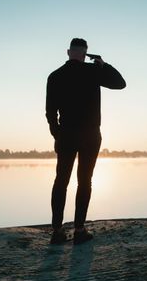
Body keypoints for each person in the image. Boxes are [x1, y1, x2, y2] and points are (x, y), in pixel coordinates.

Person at [46, 38, 126, 244]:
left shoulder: (55, 76)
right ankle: (79, 230)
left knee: (61, 181)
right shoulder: (93, 72)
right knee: (84, 181)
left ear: (68, 52)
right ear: (85, 54)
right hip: (90, 135)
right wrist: (103, 64)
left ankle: (57, 231)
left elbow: (50, 111)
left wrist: (57, 134)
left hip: (66, 135)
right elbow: (120, 84)